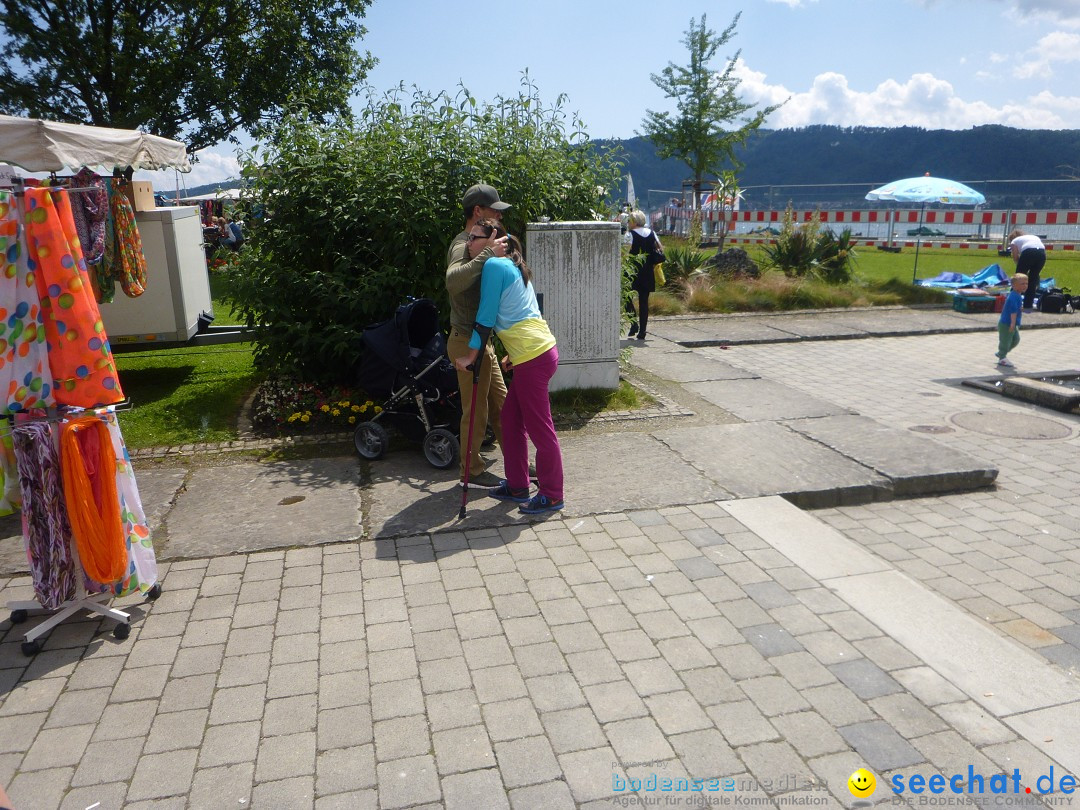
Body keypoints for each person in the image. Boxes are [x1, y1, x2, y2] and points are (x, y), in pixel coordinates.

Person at [454, 219, 564, 514]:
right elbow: (523, 310)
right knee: (512, 421)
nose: (468, 243)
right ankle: (517, 485)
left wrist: (471, 357)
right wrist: (513, 355)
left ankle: (552, 494)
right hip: (533, 352)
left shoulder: (494, 266)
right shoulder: (511, 265)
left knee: (542, 430)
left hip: (534, 356)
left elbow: (486, 316)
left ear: (492, 239)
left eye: (473, 238)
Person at [446, 184, 511, 486]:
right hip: (466, 341)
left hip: (482, 342)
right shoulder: (463, 243)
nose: (499, 213)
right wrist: (486, 254)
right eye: (494, 208)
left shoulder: (484, 240)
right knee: (477, 410)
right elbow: (453, 281)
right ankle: (470, 471)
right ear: (477, 212)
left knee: (503, 406)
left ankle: (518, 462)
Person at [625, 209, 664, 341]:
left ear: (634, 222)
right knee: (644, 301)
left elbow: (625, 253)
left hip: (632, 270)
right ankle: (642, 331)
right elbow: (660, 248)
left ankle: (633, 322)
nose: (628, 223)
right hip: (647, 271)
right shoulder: (652, 233)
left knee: (626, 296)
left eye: (629, 220)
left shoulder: (630, 235)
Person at [1008, 229, 1045, 311]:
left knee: (1018, 279)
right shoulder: (1033, 237)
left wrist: (1021, 268)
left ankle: (1012, 302)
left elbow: (1015, 257)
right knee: (1033, 280)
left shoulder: (1014, 241)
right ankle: (1028, 306)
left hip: (1028, 253)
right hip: (1042, 254)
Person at [996, 273, 1027, 368]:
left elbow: (1016, 309)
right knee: (1005, 341)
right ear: (1014, 285)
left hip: (1012, 323)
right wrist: (1012, 324)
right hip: (1007, 323)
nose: (1025, 286)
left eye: (1026, 283)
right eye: (1022, 284)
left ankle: (1001, 353)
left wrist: (1021, 309)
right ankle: (1002, 357)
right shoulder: (1013, 296)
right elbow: (1012, 311)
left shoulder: (1017, 295)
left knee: (1016, 340)